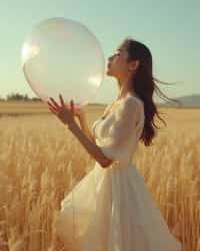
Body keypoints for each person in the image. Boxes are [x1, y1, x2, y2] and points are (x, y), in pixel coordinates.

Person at [47, 37, 182, 251]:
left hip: (119, 191)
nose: (109, 57)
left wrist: (70, 125)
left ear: (133, 64)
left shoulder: (130, 104)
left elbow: (104, 159)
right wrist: (80, 119)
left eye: (117, 53)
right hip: (105, 185)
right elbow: (99, 148)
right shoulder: (116, 103)